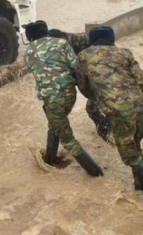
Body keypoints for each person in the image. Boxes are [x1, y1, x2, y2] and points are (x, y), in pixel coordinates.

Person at [76, 26, 143, 198]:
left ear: (92, 40)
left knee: (130, 158)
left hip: (119, 111)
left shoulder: (83, 57)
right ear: (112, 39)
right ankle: (141, 190)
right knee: (136, 150)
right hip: (138, 105)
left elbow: (84, 87)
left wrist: (100, 95)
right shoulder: (124, 53)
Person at [24, 21, 103, 177]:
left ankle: (95, 173)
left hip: (52, 100)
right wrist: (88, 92)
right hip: (69, 95)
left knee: (68, 140)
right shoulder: (62, 43)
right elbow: (77, 67)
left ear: (31, 37)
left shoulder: (28, 52)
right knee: (55, 125)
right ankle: (49, 160)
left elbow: (39, 73)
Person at [49, 29, 111, 141]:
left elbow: (106, 51)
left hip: (102, 72)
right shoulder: (59, 49)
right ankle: (108, 127)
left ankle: (107, 130)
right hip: (87, 75)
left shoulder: (81, 40)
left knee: (93, 107)